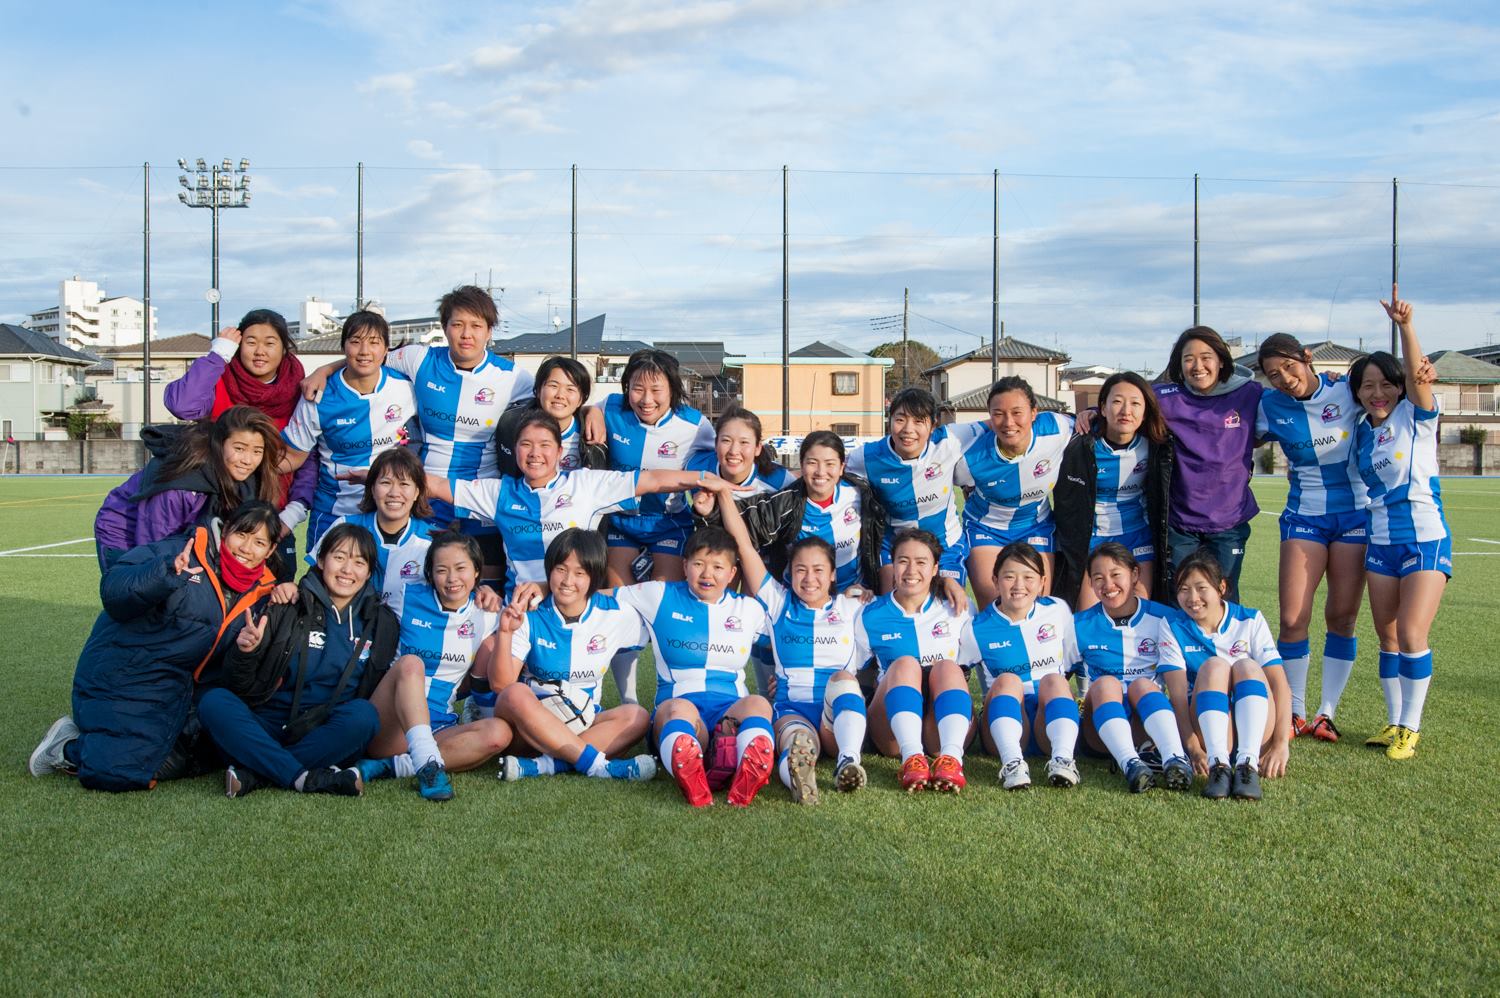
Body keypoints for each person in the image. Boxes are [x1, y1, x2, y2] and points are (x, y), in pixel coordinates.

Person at [30, 503, 282, 791]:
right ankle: (65, 748)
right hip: (129, 669)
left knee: (213, 747)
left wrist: (245, 649)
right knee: (116, 773)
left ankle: (118, 744)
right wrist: (163, 574)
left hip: (182, 687)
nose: (246, 548)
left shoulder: (264, 591)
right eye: (241, 534)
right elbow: (114, 591)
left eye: (259, 542)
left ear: (271, 550)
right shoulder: (182, 550)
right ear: (225, 530)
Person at [301, 286, 533, 587]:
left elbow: (561, 398)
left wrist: (590, 411)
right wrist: (324, 369)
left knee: (484, 589)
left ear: (489, 331)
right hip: (426, 497)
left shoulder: (514, 377)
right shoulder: (418, 358)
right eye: (457, 324)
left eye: (476, 326)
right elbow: (369, 356)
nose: (466, 334)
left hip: (480, 498)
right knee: (419, 583)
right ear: (444, 327)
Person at [426, 411, 745, 598]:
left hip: (576, 607)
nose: (535, 453)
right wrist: (392, 472)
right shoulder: (498, 492)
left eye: (544, 445)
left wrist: (704, 478)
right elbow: (437, 486)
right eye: (526, 445)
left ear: (559, 451)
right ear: (515, 450)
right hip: (523, 611)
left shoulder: (585, 484)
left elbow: (652, 480)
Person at [696, 477, 869, 804]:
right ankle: (799, 780)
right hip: (792, 708)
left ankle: (848, 760)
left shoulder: (852, 607)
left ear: (833, 574)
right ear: (789, 572)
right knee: (795, 739)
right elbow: (744, 546)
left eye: (819, 570)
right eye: (801, 570)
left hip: (836, 717)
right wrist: (723, 495)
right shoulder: (778, 603)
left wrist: (945, 583)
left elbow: (904, 606)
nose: (809, 578)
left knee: (844, 680)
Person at [198, 522, 398, 798]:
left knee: (364, 716)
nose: (347, 570)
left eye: (359, 562)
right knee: (214, 701)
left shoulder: (381, 623)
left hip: (325, 732)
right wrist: (245, 652)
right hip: (266, 724)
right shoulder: (288, 603)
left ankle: (259, 773)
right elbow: (238, 684)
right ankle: (304, 777)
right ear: (321, 560)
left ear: (369, 572)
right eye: (339, 557)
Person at [1252, 333, 1370, 742]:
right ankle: (1294, 712)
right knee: (1292, 619)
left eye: (1289, 366)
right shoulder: (1268, 406)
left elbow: (1390, 393)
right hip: (1304, 516)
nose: (1284, 378)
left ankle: (1326, 713)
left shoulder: (1347, 390)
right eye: (1273, 374)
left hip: (1355, 516)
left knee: (1342, 616)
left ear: (1307, 358)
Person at [586, 349, 716, 706]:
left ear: (673, 389)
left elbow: (721, 456)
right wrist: (591, 411)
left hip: (669, 524)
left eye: (656, 390)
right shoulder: (611, 408)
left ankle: (668, 699)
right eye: (637, 388)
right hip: (622, 523)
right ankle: (629, 702)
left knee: (663, 609)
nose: (646, 399)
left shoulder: (696, 425)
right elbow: (592, 405)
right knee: (620, 609)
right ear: (626, 388)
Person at [1351, 293, 1450, 760]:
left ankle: (1411, 727)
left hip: (1424, 538)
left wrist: (1406, 326)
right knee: (1388, 637)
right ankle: (1393, 722)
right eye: (1367, 386)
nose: (1378, 393)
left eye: (1386, 384)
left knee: (1411, 633)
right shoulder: (1361, 432)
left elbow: (1417, 378)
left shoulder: (1415, 416)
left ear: (1399, 386)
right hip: (1381, 543)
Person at [615, 526, 773, 808]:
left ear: (732, 573)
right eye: (698, 564)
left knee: (758, 704)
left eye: (717, 567)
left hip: (730, 713)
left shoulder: (749, 609)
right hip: (680, 706)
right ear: (684, 565)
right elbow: (602, 596)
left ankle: (746, 774)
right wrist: (542, 591)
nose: (707, 574)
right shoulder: (658, 595)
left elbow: (785, 642)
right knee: (678, 710)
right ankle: (694, 779)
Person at [354, 531, 511, 801]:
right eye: (441, 570)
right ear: (429, 574)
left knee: (499, 733)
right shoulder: (405, 595)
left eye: (461, 568)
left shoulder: (488, 615)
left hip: (439, 723)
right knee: (411, 664)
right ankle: (427, 763)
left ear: (477, 571)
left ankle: (393, 767)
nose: (452, 579)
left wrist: (488, 593)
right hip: (391, 724)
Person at [492, 529, 656, 782]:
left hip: (584, 722)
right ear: (549, 570)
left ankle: (543, 766)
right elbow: (501, 685)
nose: (568, 580)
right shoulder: (529, 613)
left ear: (594, 576)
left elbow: (652, 634)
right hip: (529, 730)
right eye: (561, 569)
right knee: (514, 693)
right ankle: (597, 765)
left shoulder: (618, 614)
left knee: (637, 716)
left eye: (580, 573)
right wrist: (504, 633)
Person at [163, 309, 317, 577]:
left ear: (285, 349)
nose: (260, 351)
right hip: (219, 515)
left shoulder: (301, 389)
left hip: (274, 518)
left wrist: (293, 512)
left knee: (276, 595)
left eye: (270, 343)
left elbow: (308, 455)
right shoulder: (219, 377)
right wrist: (218, 354)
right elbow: (182, 405)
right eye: (250, 342)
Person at [278, 311, 417, 549]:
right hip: (334, 511)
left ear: (386, 349)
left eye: (374, 342)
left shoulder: (406, 386)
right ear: (343, 347)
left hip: (390, 512)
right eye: (355, 341)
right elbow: (293, 456)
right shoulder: (318, 396)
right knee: (324, 573)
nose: (364, 351)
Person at [852, 529, 976, 794]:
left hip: (940, 727)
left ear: (935, 568)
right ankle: (912, 758)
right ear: (892, 564)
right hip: (892, 734)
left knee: (947, 667)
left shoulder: (957, 608)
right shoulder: (868, 614)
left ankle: (952, 759)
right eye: (903, 561)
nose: (911, 570)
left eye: (921, 562)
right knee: (905, 664)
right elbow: (849, 670)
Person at [1148, 326, 1263, 602]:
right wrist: (1091, 414)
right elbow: (1126, 400)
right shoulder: (1166, 397)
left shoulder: (1250, 394)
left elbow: (1293, 402)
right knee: (1183, 598)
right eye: (1188, 359)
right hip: (1180, 524)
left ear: (1221, 360)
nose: (1197, 366)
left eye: (1205, 357)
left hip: (1229, 522)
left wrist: (1328, 380)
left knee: (1223, 599)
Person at [94, 405, 284, 571]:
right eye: (239, 449)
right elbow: (152, 546)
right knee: (139, 586)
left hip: (181, 527)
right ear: (220, 444)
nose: (248, 460)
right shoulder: (180, 486)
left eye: (257, 451)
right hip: (124, 531)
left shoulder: (249, 480)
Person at [962, 542, 1084, 790]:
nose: (1019, 585)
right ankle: (1012, 763)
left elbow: (1076, 660)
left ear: (1042, 582)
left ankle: (1063, 759)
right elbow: (957, 675)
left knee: (1055, 680)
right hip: (1002, 724)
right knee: (1008, 680)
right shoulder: (976, 628)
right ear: (995, 581)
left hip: (1049, 719)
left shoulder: (1058, 610)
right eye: (1009, 577)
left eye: (1028, 577)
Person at [1074, 543, 1195, 793]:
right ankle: (1131, 763)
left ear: (1135, 574)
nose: (1108, 585)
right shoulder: (1078, 625)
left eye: (1116, 574)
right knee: (1106, 684)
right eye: (1098, 578)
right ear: (1091, 583)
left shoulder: (1165, 618)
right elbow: (1055, 674)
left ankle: (1175, 758)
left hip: (1150, 723)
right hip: (1100, 731)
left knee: (1142, 685)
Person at [845, 387, 979, 607]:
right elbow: (828, 467)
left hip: (946, 543)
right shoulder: (867, 457)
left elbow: (997, 422)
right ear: (889, 421)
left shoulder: (950, 440)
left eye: (918, 421)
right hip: (894, 546)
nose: (908, 429)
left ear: (933, 425)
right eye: (900, 419)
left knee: (949, 606)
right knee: (896, 607)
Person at [1169, 549, 1286, 800]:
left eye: (1201, 588)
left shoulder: (1250, 620)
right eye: (1184, 589)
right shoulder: (1172, 625)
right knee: (1215, 666)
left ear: (1221, 587)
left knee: (1247, 667)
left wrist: (1280, 744)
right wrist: (1193, 749)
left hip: (1256, 731)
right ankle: (1218, 766)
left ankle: (1247, 766)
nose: (1193, 598)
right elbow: (1177, 697)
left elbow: (1279, 684)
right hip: (1207, 734)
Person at [1053, 372, 1174, 610]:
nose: (1126, 411)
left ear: (1145, 411)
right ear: (1103, 408)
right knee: (1089, 614)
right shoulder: (1078, 442)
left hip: (1137, 535)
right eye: (1117, 402)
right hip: (1091, 537)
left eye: (1135, 403)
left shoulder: (1157, 445)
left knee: (1140, 609)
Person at [953, 377, 1075, 606]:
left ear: (1034, 412)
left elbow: (1097, 423)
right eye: (998, 414)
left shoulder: (1056, 429)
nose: (1009, 422)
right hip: (986, 527)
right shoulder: (970, 455)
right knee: (996, 606)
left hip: (1036, 525)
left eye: (1017, 412)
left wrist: (1090, 413)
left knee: (1037, 606)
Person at [306, 446, 439, 621]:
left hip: (406, 632)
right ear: (372, 488)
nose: (394, 493)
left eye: (404, 484)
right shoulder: (344, 526)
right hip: (347, 627)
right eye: (385, 483)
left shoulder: (431, 541)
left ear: (417, 492)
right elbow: (312, 578)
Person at [495, 356, 607, 476]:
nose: (560, 395)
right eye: (553, 386)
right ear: (538, 391)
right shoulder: (511, 424)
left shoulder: (593, 433)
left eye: (570, 389)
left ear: (581, 399)